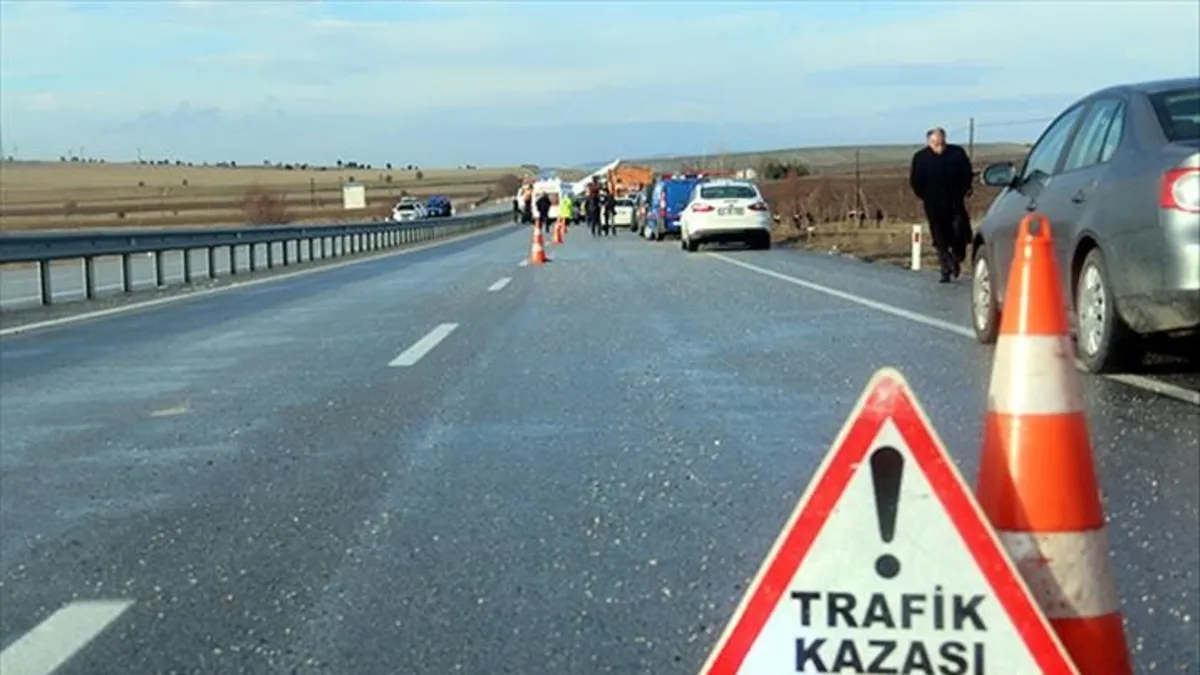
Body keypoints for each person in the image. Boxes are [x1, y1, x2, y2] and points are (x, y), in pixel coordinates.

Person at [909, 126, 974, 283]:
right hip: (933, 202)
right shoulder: (921, 157)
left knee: (959, 230)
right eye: (935, 143)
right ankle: (945, 267)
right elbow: (915, 180)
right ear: (929, 142)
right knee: (939, 235)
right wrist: (924, 195)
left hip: (955, 200)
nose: (939, 145)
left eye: (941, 142)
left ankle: (957, 256)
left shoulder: (956, 153)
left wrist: (964, 189)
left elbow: (967, 172)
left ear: (945, 139)